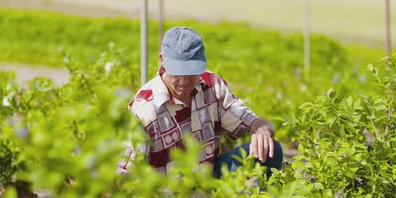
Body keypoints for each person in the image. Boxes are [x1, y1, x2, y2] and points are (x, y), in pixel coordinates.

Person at [120, 26, 283, 178]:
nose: (184, 81)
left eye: (191, 72)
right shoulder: (145, 108)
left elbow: (253, 122)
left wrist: (261, 130)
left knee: (271, 149)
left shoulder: (211, 85)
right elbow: (124, 172)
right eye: (177, 72)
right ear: (162, 60)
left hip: (207, 181)